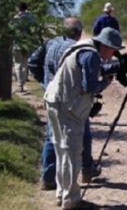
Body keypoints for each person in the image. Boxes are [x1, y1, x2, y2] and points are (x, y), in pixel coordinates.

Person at [43, 27, 123, 210]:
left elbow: (90, 69)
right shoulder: (91, 54)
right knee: (72, 153)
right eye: (113, 49)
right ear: (104, 45)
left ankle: (62, 195)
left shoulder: (82, 48)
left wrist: (113, 68)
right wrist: (106, 83)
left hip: (54, 100)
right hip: (68, 106)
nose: (113, 53)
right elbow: (90, 86)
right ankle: (72, 201)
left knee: (61, 151)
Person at [27, 18, 102, 192]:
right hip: (70, 99)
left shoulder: (50, 43)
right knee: (82, 134)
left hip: (50, 96)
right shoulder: (76, 49)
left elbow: (32, 61)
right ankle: (86, 170)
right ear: (79, 32)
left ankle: (48, 178)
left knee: (51, 136)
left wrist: (43, 82)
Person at [11, 2, 37, 93]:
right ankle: (24, 79)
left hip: (18, 44)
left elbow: (13, 31)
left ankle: (20, 84)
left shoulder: (17, 18)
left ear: (18, 8)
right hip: (28, 43)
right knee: (25, 63)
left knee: (18, 64)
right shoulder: (31, 18)